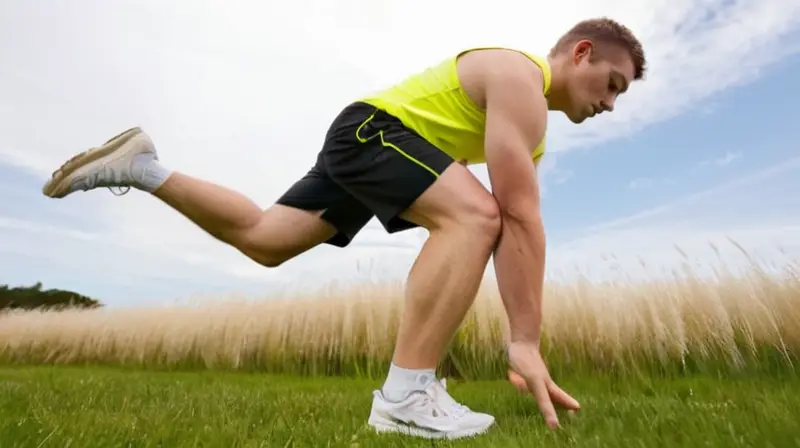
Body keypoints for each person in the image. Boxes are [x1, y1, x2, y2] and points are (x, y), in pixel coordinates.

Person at [41, 16, 646, 440]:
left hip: (369, 141)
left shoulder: (529, 127)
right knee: (475, 215)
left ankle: (141, 167)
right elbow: (513, 217)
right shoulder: (522, 80)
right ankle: (406, 396)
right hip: (373, 133)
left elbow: (520, 231)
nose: (610, 103)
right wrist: (524, 341)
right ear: (582, 52)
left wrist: (524, 340)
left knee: (264, 238)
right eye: (612, 84)